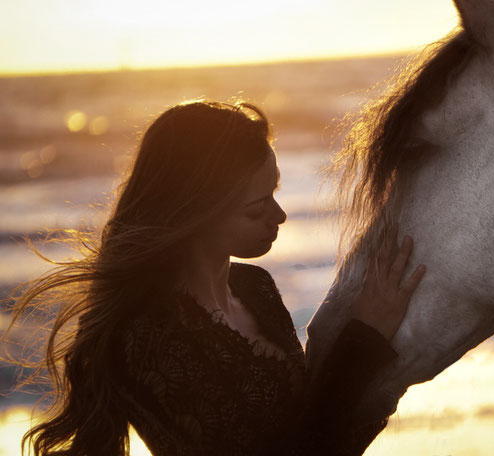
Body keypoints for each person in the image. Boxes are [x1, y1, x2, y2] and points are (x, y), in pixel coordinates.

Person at [4, 100, 426, 456]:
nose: (279, 216)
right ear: (197, 213)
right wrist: (366, 341)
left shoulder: (255, 288)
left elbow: (321, 431)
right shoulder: (147, 335)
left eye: (275, 193)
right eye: (256, 206)